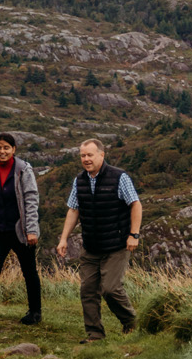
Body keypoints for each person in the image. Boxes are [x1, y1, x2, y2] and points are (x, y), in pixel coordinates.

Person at [57, 138, 142, 344]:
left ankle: (131, 321)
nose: (86, 159)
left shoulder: (119, 177)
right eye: (82, 156)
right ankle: (95, 334)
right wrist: (63, 239)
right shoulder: (79, 180)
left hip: (117, 245)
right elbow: (73, 209)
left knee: (111, 289)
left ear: (101, 155)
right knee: (88, 290)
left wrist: (134, 234)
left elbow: (136, 205)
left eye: (90, 155)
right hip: (91, 246)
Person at [0, 132, 43, 325]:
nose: (2, 151)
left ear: (14, 149)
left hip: (20, 230)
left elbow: (31, 199)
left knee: (29, 271)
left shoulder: (23, 169)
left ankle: (35, 312)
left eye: (6, 147)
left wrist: (32, 229)